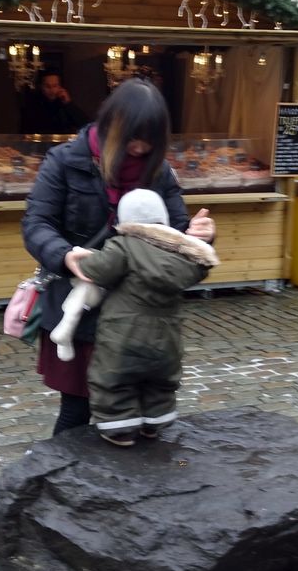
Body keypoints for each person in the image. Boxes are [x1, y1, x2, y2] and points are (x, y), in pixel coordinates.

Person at [22, 77, 216, 436]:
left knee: (143, 410)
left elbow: (178, 230)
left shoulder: (159, 171)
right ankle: (60, 484)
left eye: (150, 140)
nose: (141, 148)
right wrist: (65, 256)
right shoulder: (66, 161)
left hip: (141, 316)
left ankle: (135, 484)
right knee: (77, 409)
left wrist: (200, 235)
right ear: (111, 125)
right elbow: (36, 223)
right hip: (80, 306)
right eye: (133, 138)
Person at [71, 188, 219, 446]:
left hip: (123, 333)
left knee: (114, 378)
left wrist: (83, 261)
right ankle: (156, 423)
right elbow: (199, 267)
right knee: (160, 381)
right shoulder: (181, 252)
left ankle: (120, 429)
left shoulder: (124, 245)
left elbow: (99, 271)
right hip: (167, 335)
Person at [22, 70, 89, 134]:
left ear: (60, 86)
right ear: (41, 87)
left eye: (55, 86)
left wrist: (68, 103)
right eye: (47, 86)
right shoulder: (33, 105)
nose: (52, 90)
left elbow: (86, 125)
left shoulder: (64, 104)